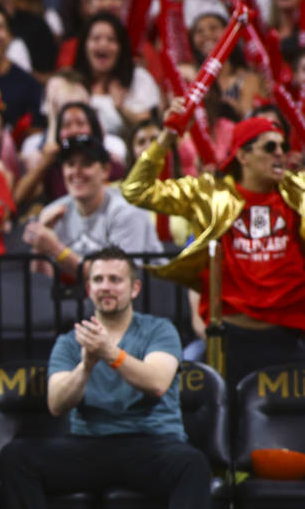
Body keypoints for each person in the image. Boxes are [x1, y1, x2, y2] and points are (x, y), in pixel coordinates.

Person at [0, 246, 210, 509]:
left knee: (193, 465)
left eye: (115, 279)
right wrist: (85, 364)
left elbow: (157, 382)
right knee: (17, 457)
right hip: (89, 446)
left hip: (150, 442)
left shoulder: (159, 330)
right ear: (89, 289)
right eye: (98, 279)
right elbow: (56, 404)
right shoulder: (71, 341)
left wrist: (111, 354)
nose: (106, 286)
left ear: (134, 289)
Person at [122, 106, 305, 390]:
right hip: (230, 340)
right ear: (242, 156)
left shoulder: (298, 192)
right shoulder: (209, 195)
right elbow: (136, 189)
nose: (280, 152)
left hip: (289, 336)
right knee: (226, 427)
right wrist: (167, 137)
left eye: (282, 146)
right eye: (269, 147)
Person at [23, 134, 162, 278]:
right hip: (86, 298)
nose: (76, 172)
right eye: (70, 164)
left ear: (106, 170)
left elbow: (118, 278)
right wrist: (39, 247)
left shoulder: (127, 211)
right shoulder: (53, 212)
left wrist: (56, 250)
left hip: (151, 295)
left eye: (86, 164)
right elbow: (39, 282)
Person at [72, 13, 160, 140]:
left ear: (121, 47)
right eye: (96, 38)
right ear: (84, 45)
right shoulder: (72, 83)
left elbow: (148, 127)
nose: (103, 44)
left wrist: (120, 109)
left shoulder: (138, 78)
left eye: (111, 39)